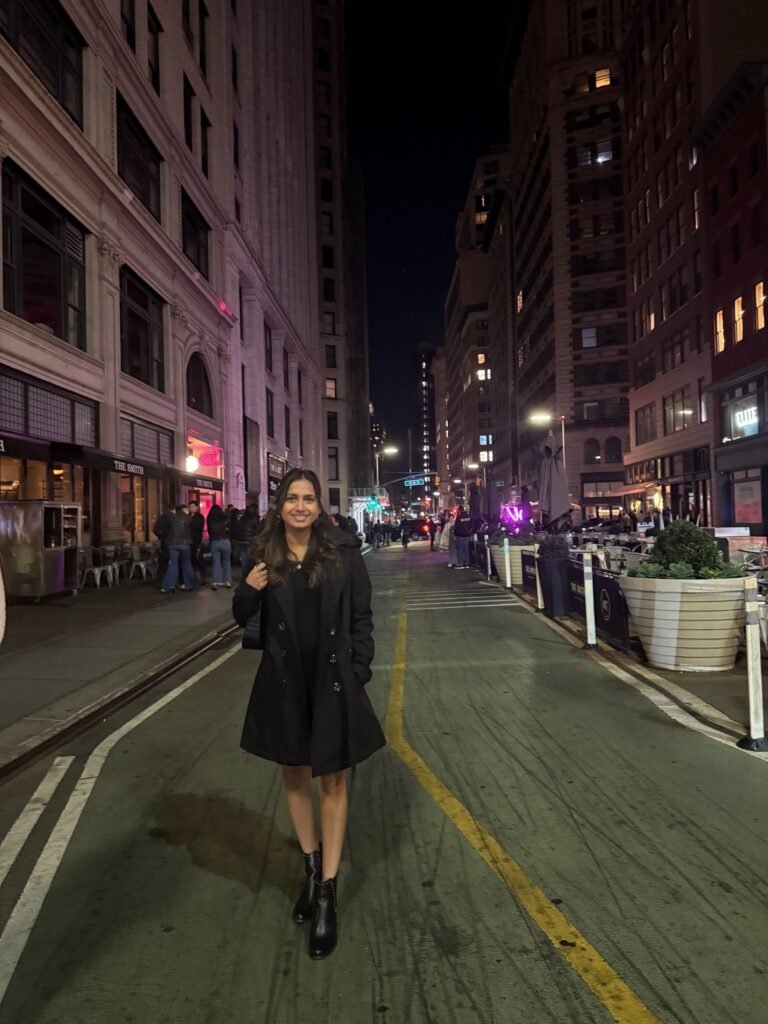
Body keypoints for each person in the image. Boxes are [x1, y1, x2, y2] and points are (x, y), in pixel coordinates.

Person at [233, 469, 385, 960]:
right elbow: (242, 616)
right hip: (284, 681)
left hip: (332, 677)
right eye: (292, 499)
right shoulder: (264, 555)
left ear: (320, 507)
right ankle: (312, 867)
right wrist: (249, 590)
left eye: (309, 499)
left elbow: (362, 616)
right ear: (279, 507)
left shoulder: (342, 552)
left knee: (333, 781)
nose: (300, 506)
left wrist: (359, 668)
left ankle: (328, 892)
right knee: (294, 775)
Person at [160, 505, 195, 592]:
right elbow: (193, 530)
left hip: (172, 544)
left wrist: (166, 539)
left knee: (173, 564)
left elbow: (165, 529)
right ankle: (188, 584)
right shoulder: (188, 518)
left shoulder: (171, 518)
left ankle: (168, 585)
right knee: (186, 563)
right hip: (185, 544)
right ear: (184, 510)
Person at [207, 503, 232, 590]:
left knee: (216, 562)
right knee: (227, 562)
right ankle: (228, 581)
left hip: (215, 542)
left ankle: (215, 582)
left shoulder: (210, 519)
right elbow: (230, 529)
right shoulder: (225, 518)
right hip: (225, 541)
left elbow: (210, 532)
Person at [153, 507, 172, 584]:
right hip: (172, 542)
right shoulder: (172, 518)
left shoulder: (161, 518)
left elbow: (155, 530)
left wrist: (161, 537)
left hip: (164, 542)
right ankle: (168, 580)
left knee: (164, 562)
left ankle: (161, 579)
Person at [188, 500, 205, 582]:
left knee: (197, 558)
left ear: (197, 507)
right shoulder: (187, 516)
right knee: (190, 559)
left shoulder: (200, 517)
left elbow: (198, 528)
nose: (191, 508)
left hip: (196, 541)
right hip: (188, 541)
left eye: (193, 507)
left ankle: (199, 576)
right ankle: (192, 577)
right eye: (190, 507)